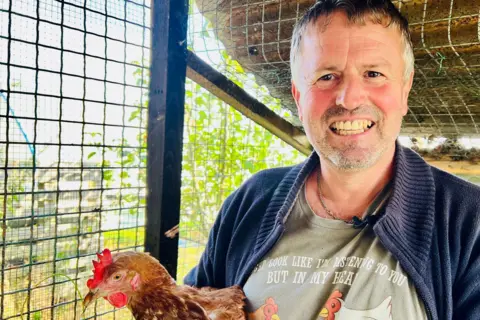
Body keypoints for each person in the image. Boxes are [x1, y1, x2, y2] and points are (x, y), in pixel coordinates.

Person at [184, 1, 480, 319]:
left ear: (404, 91)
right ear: (299, 97)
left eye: (374, 74)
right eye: (326, 77)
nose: (349, 98)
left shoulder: (468, 221)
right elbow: (192, 307)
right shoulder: (250, 201)